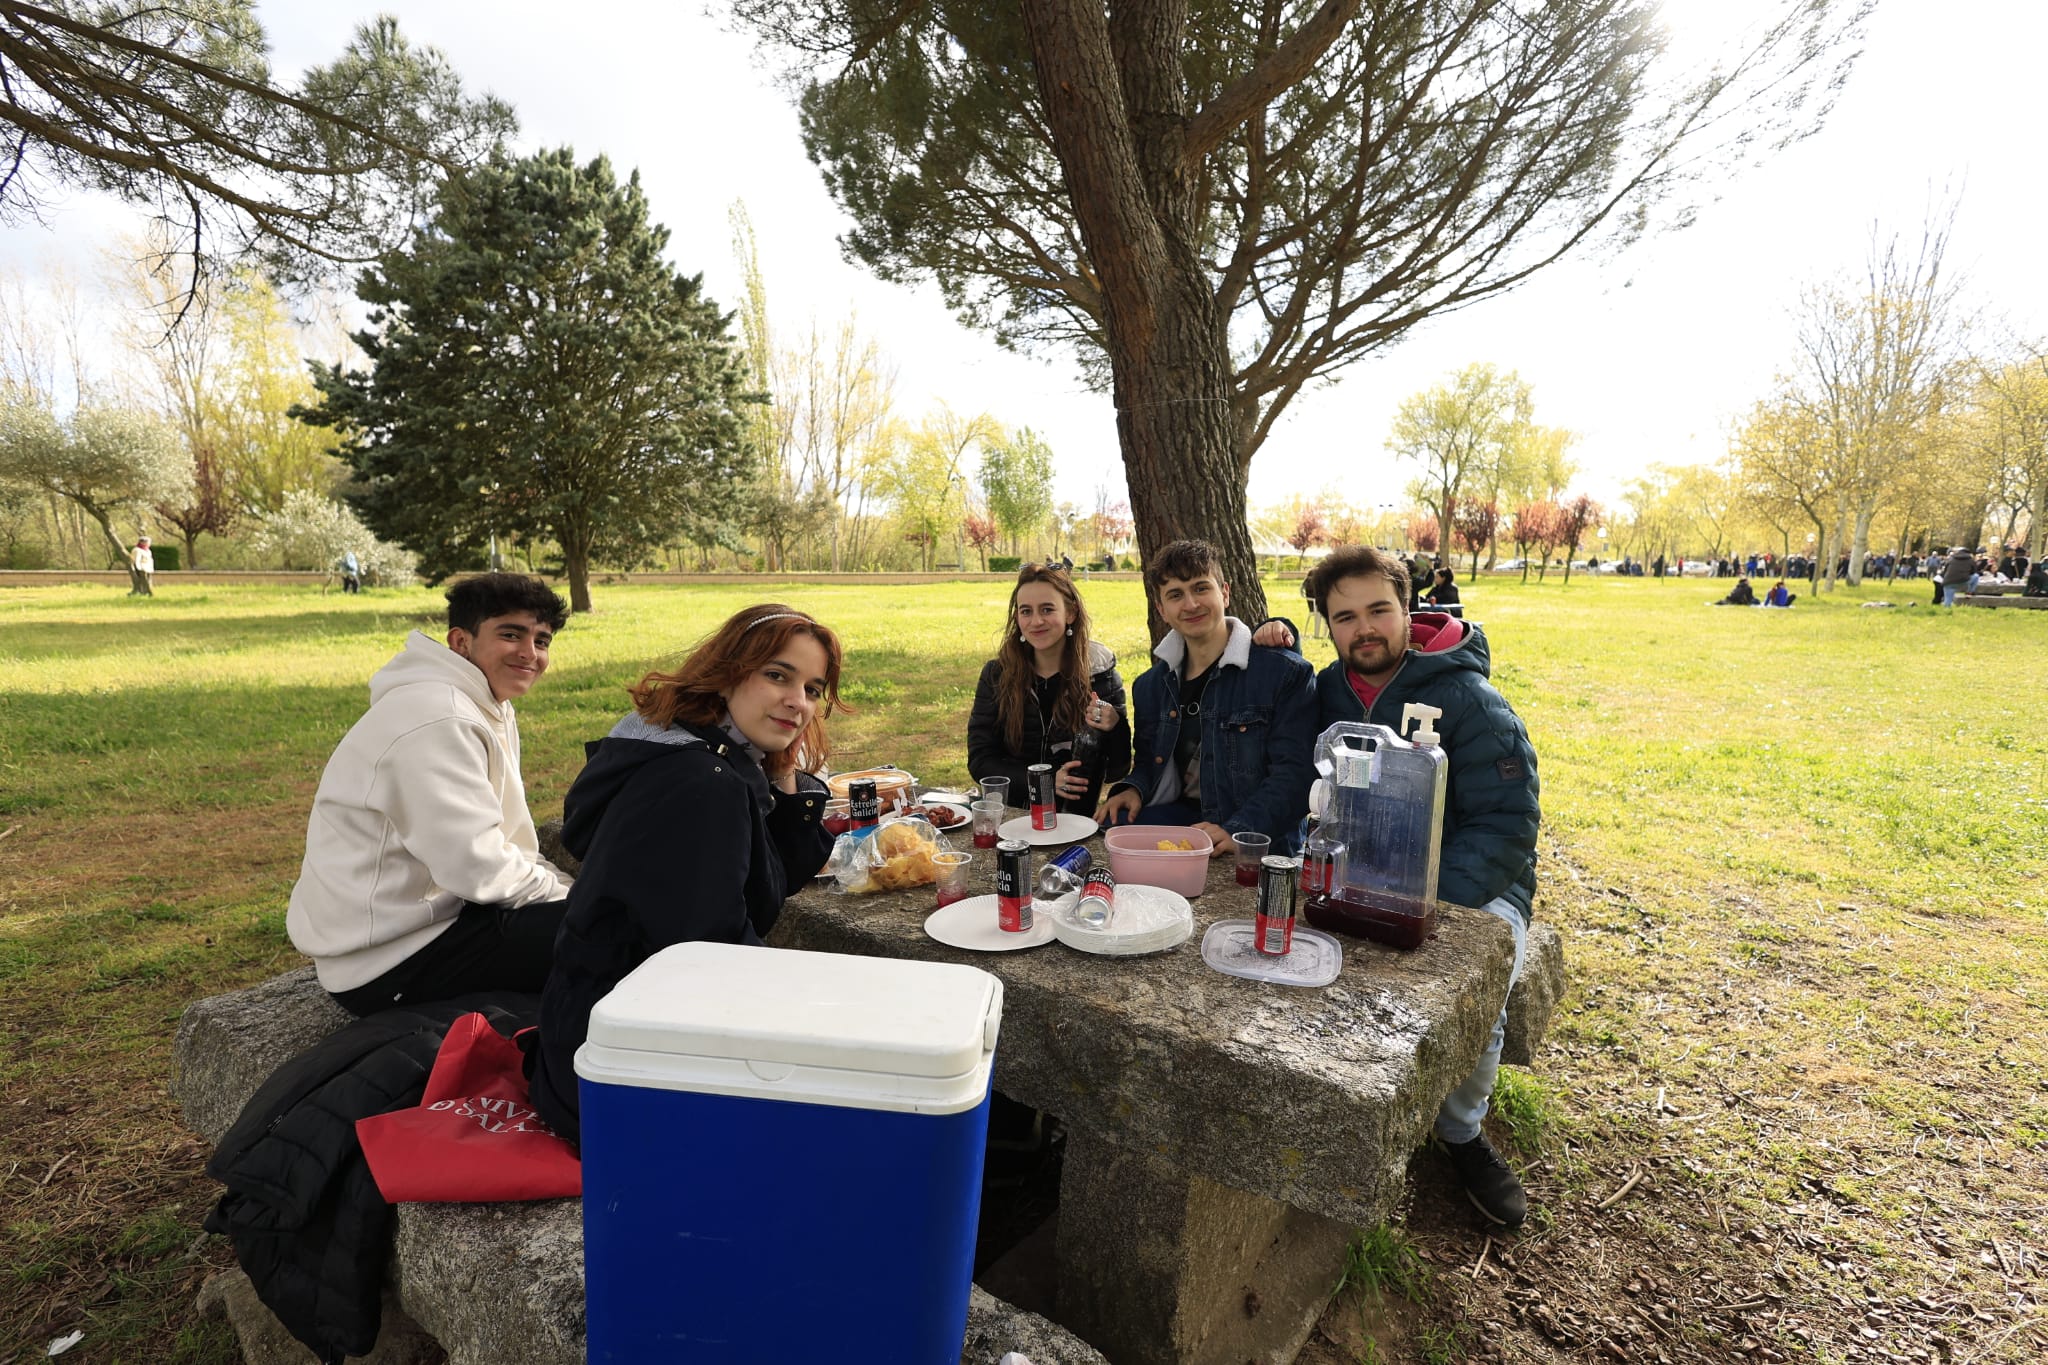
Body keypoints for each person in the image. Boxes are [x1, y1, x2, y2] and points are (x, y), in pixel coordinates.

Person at [1252, 545, 1540, 1228]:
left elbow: (1507, 821)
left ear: (1409, 608)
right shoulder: (1325, 690)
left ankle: (1462, 1133)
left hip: (1471, 883)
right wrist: (1270, 636)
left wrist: (1431, 903)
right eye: (1344, 616)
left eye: (1380, 609)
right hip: (1363, 870)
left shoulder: (1467, 696)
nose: (1365, 628)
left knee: (1477, 990)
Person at [526, 604, 842, 1145]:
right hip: (619, 1076)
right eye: (777, 675)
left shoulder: (688, 743)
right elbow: (711, 960)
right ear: (727, 675)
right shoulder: (701, 782)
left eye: (812, 689)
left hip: (609, 1036)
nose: (798, 702)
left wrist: (785, 773)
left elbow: (775, 876)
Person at [287, 573, 575, 1015]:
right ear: (461, 642)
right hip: (388, 964)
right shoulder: (439, 717)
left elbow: (502, 844)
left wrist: (568, 890)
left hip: (432, 921)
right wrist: (575, 903)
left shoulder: (482, 702)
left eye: (542, 640)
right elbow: (478, 867)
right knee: (607, 942)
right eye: (511, 634)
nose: (530, 653)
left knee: (600, 925)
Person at [1096, 538, 1317, 855]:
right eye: (1176, 595)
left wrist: (1239, 830)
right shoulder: (1151, 685)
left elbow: (1296, 775)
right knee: (1111, 836)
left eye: (1201, 588)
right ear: (1162, 609)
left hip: (1256, 832)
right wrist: (1134, 788)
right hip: (1182, 819)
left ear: (1224, 593)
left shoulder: (1282, 673)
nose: (1191, 604)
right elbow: (1149, 760)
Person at [967, 563, 1131, 814]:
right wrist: (1044, 781)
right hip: (1013, 815)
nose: (1036, 621)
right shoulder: (997, 674)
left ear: (1071, 613)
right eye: (1026, 611)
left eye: (1047, 609)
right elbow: (980, 762)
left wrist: (1115, 727)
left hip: (1075, 819)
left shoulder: (1100, 675)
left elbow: (1117, 770)